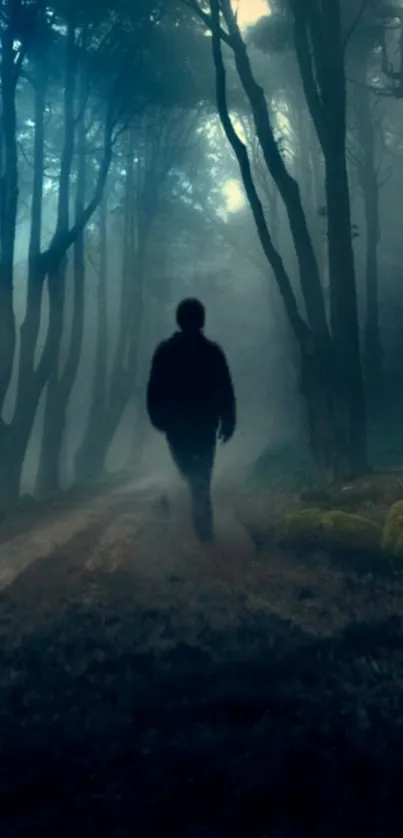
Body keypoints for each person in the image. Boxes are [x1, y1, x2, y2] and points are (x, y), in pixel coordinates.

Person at [146, 298, 236, 542]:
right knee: (196, 475)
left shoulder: (166, 351)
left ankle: (204, 528)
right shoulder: (211, 352)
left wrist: (158, 418)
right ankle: (200, 520)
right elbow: (226, 390)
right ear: (201, 320)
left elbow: (153, 389)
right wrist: (228, 421)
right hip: (197, 425)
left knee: (195, 474)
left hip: (182, 426)